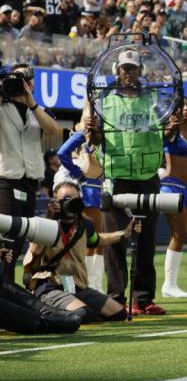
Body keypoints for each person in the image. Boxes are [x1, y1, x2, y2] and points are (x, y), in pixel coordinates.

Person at [87, 48, 166, 316]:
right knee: (115, 241)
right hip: (116, 177)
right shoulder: (103, 100)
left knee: (147, 240)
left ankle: (143, 299)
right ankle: (116, 299)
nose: (129, 72)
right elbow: (96, 140)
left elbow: (167, 132)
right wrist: (93, 132)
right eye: (125, 68)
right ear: (116, 71)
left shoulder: (156, 99)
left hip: (147, 177)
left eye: (133, 68)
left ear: (140, 71)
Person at [22, 180, 137, 323]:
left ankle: (71, 307)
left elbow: (97, 241)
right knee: (83, 314)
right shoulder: (44, 223)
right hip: (50, 285)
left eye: (73, 201)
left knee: (119, 313)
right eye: (64, 201)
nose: (69, 205)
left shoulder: (85, 224)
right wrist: (50, 217)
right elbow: (34, 252)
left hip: (78, 287)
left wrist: (124, 233)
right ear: (55, 201)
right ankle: (47, 309)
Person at [0, 64, 60, 283]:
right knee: (6, 239)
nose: (22, 82)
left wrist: (30, 102)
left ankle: (7, 287)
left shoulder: (38, 110)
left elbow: (54, 130)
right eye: (16, 77)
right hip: (6, 180)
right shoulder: (2, 106)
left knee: (20, 239)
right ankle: (4, 289)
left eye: (26, 77)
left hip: (29, 182)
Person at [55, 123, 105, 290]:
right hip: (80, 199)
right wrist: (80, 135)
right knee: (80, 244)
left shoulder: (100, 151)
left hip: (95, 196)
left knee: (95, 243)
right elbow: (62, 153)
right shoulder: (76, 159)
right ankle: (84, 286)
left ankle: (93, 286)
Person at [160, 98, 187, 299]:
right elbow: (164, 136)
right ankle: (169, 284)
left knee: (182, 235)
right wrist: (170, 126)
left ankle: (171, 284)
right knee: (179, 233)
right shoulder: (171, 129)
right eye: (182, 106)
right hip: (170, 186)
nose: (186, 109)